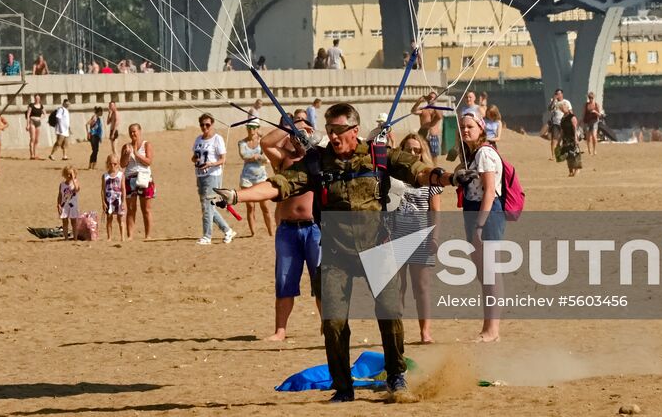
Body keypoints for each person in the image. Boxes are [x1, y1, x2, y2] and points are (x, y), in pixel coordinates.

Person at [219, 103, 465, 402]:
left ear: (354, 131)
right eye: (329, 130)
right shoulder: (316, 163)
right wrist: (236, 194)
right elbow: (277, 185)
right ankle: (343, 386)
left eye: (338, 131)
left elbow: (421, 172)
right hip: (336, 252)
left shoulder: (379, 156)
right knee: (333, 322)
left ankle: (396, 375)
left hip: (377, 248)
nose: (333, 137)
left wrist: (449, 178)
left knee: (389, 312)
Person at [262, 114, 321, 342]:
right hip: (288, 230)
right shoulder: (284, 160)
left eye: (305, 126)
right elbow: (266, 143)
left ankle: (327, 326)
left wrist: (309, 134)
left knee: (321, 280)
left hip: (314, 228)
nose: (300, 135)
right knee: (285, 281)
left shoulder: (318, 159)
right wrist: (291, 127)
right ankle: (281, 330)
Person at [457, 111, 505, 342]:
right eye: (462, 127)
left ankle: (492, 330)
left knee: (491, 273)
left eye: (470, 126)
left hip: (485, 214)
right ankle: (488, 327)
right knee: (483, 273)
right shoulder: (472, 154)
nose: (465, 130)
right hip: (474, 211)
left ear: (480, 128)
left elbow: (489, 191)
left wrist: (479, 226)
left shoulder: (484, 152)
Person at [395, 132, 441, 344]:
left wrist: (434, 237)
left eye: (417, 150)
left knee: (421, 287)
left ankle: (425, 331)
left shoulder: (431, 177)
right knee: (397, 286)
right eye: (408, 150)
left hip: (421, 235)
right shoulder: (394, 176)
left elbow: (435, 210)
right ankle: (397, 329)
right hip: (396, 234)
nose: (413, 153)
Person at [192, 114, 235, 245]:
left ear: (212, 125)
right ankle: (227, 230)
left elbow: (223, 159)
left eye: (207, 125)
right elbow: (193, 157)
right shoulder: (198, 139)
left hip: (213, 175)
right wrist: (196, 160)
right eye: (202, 125)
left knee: (207, 205)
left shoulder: (217, 139)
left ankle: (207, 236)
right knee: (208, 207)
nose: (205, 127)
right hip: (200, 175)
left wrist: (211, 164)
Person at [237, 122, 273, 237]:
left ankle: (271, 232)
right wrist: (256, 157)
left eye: (253, 127)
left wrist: (259, 157)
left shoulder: (262, 142)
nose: (251, 130)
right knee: (250, 206)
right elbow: (243, 156)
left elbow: (267, 159)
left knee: (265, 206)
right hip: (247, 178)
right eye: (249, 127)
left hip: (261, 177)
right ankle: (253, 233)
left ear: (257, 128)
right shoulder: (242, 142)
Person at [121, 123, 155, 240]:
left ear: (140, 131)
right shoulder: (126, 146)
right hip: (130, 177)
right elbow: (122, 164)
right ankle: (130, 235)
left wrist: (136, 154)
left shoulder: (146, 145)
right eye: (130, 132)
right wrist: (127, 154)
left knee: (146, 208)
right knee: (131, 208)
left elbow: (149, 161)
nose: (132, 134)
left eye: (134, 131)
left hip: (144, 177)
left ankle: (148, 235)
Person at [101, 155, 126, 242]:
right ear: (107, 164)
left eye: (115, 164)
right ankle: (109, 237)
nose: (112, 166)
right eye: (110, 164)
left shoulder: (121, 175)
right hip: (109, 200)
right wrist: (103, 202)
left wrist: (123, 202)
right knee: (109, 218)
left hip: (118, 199)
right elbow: (103, 190)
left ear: (118, 164)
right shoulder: (105, 176)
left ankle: (122, 237)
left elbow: (123, 189)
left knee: (120, 218)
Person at [411, 91, 443, 158]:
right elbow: (413, 111)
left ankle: (433, 167)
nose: (431, 99)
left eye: (433, 98)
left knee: (433, 156)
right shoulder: (423, 109)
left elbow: (439, 116)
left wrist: (433, 105)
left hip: (433, 135)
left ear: (436, 99)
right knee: (421, 154)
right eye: (429, 97)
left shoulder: (438, 110)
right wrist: (418, 102)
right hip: (422, 134)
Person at [556, 102, 582, 176]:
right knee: (568, 155)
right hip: (565, 139)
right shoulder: (563, 118)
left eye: (563, 108)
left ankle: (577, 169)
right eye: (561, 108)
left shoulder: (572, 117)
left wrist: (576, 139)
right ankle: (571, 170)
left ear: (567, 107)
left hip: (572, 138)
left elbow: (575, 128)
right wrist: (559, 141)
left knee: (575, 154)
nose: (562, 109)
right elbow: (562, 130)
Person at [57, 166, 81, 239]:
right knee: (65, 221)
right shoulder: (62, 184)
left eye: (70, 174)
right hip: (64, 205)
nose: (69, 176)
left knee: (74, 221)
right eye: (67, 174)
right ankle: (66, 238)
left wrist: (74, 178)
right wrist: (58, 204)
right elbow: (60, 195)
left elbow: (77, 189)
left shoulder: (75, 182)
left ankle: (75, 238)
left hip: (73, 205)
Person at [25, 95, 45, 159]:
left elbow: (44, 114)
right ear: (34, 98)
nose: (37, 99)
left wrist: (41, 118)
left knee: (37, 139)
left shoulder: (41, 106)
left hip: (38, 122)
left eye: (38, 98)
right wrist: (27, 125)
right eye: (36, 98)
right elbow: (28, 115)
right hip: (32, 122)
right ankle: (32, 155)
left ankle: (35, 154)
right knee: (32, 138)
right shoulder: (31, 105)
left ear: (40, 99)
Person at [582, 92, 602, 156]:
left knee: (594, 135)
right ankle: (589, 150)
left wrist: (595, 112)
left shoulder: (596, 105)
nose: (590, 99)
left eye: (592, 98)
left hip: (594, 121)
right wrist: (581, 120)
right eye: (589, 98)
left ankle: (594, 150)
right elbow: (584, 113)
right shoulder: (586, 105)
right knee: (588, 137)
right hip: (587, 121)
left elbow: (600, 115)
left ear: (594, 98)